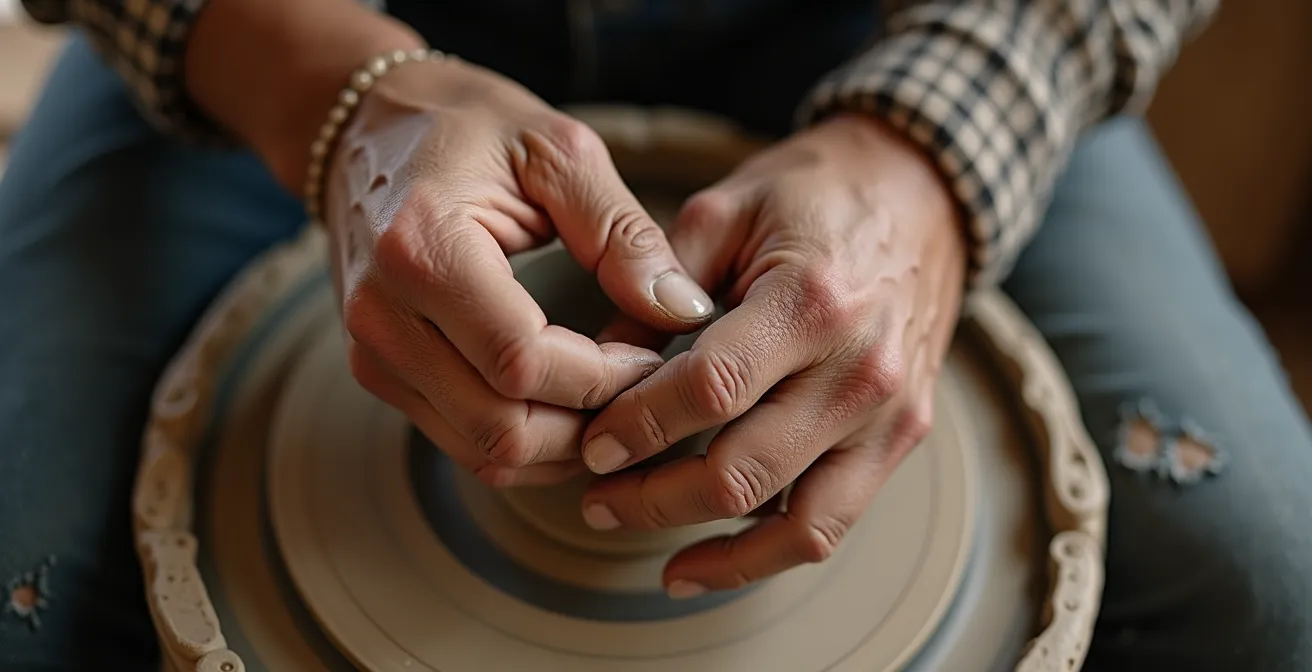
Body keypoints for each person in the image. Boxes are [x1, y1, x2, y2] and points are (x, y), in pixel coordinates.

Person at [1, 0, 1308, 669]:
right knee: (21, 587)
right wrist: (329, 93)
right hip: (296, 26)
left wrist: (929, 160)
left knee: (1265, 598)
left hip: (922, 34)